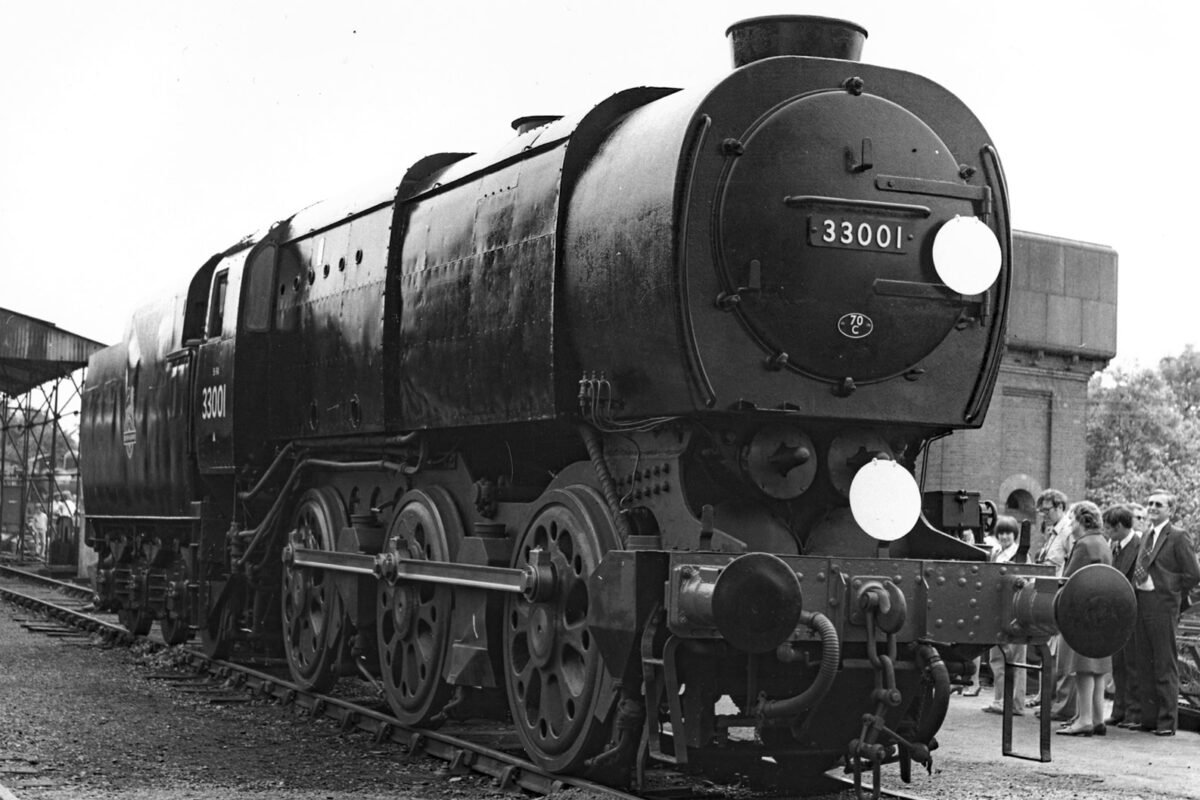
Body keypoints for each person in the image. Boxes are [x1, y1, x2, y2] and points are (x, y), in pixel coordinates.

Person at [1132, 491, 1200, 736]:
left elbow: (1193, 573)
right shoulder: (1146, 535)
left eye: (1158, 505)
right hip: (1141, 605)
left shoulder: (1179, 536)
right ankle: (1149, 719)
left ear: (1170, 510)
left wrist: (1166, 590)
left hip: (1163, 606)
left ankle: (1166, 722)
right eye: (1149, 503)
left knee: (1164, 664)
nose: (1152, 508)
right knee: (1145, 663)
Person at [1056, 502, 1113, 736]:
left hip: (1083, 612)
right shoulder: (1102, 543)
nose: (1070, 525)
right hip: (1103, 612)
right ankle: (1097, 719)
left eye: (1072, 520)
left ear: (1082, 521)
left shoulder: (1084, 545)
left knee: (1083, 667)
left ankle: (1084, 720)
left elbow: (1069, 580)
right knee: (1098, 667)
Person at [1033, 489, 1075, 720]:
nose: (1044, 515)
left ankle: (1060, 705)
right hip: (1050, 599)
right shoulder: (1053, 533)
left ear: (1060, 507)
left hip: (1060, 598)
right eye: (1042, 511)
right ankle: (1049, 700)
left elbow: (1070, 566)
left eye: (1047, 510)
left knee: (1059, 654)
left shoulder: (1067, 532)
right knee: (1050, 651)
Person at [982, 516, 1027, 715]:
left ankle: (1016, 703)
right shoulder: (997, 553)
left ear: (1015, 534)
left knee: (1016, 659)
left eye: (1008, 532)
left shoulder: (1021, 555)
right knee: (997, 658)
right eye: (1001, 532)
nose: (1005, 536)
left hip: (1015, 612)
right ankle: (1000, 700)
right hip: (998, 611)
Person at [1103, 504, 1142, 729]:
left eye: (1110, 528)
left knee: (1132, 664)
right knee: (1118, 664)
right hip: (1117, 613)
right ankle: (1119, 710)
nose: (1107, 532)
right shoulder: (1113, 546)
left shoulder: (1138, 545)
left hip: (1132, 612)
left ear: (1120, 526)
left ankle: (1134, 712)